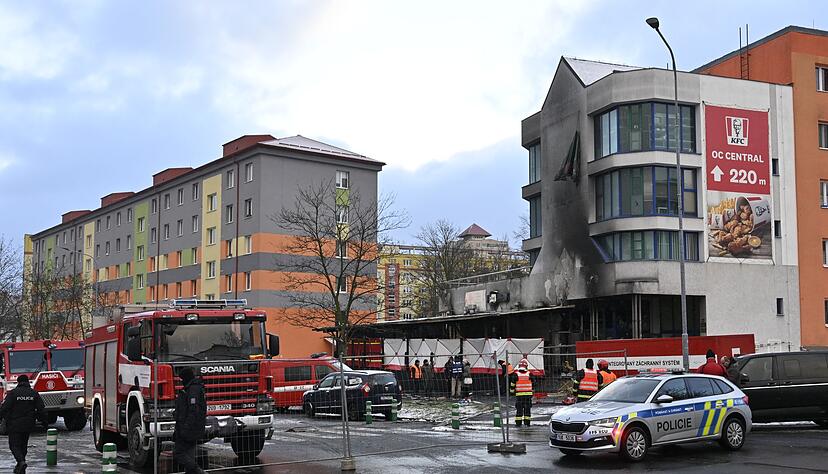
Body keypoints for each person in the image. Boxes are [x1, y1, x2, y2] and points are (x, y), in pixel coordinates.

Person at [0, 374, 45, 473]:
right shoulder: (34, 393)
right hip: (28, 424)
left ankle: (21, 461)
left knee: (14, 445)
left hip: (14, 423)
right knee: (23, 445)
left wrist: (2, 417)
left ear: (18, 382)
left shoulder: (13, 393)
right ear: (28, 382)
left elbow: (5, 407)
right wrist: (43, 421)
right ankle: (21, 464)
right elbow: (41, 408)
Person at [174, 367, 207, 474]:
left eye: (182, 379)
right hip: (188, 426)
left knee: (179, 453)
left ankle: (198, 471)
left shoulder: (193, 390)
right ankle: (193, 471)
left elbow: (193, 411)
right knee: (189, 454)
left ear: (186, 378)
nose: (181, 381)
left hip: (188, 428)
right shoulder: (191, 389)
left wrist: (186, 427)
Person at [509, 359, 534, 427]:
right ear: (526, 366)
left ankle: (518, 423)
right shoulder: (530, 374)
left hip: (519, 396)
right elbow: (534, 383)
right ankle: (527, 423)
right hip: (528, 396)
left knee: (519, 409)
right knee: (527, 409)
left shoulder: (515, 374)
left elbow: (512, 385)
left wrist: (511, 393)